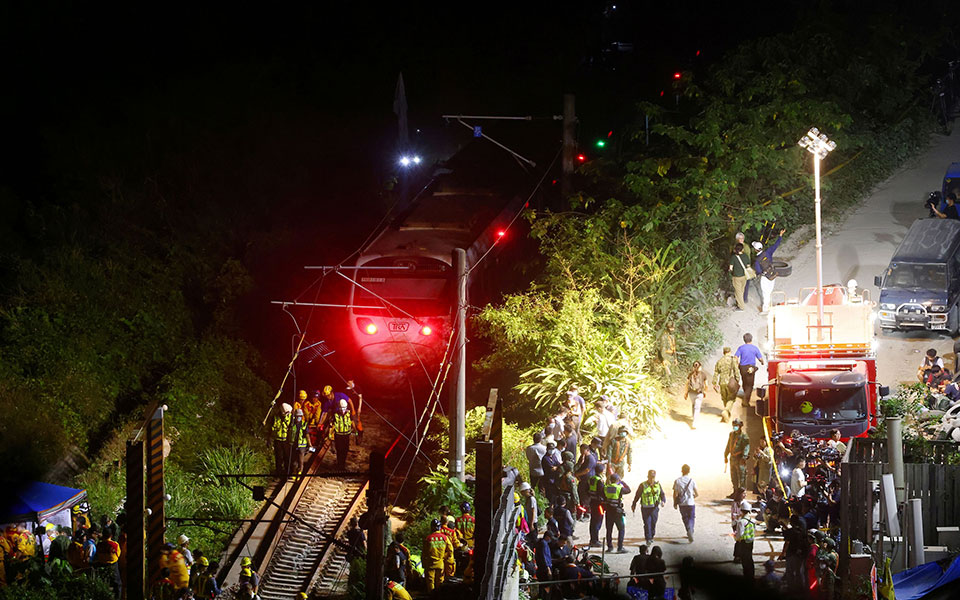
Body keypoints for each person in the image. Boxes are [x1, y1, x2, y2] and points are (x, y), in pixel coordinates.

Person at [753, 228, 786, 313]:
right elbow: (776, 245)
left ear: (755, 250)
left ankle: (765, 309)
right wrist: (780, 235)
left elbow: (758, 271)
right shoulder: (768, 252)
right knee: (770, 291)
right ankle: (769, 305)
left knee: (765, 293)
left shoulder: (757, 260)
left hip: (765, 277)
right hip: (772, 274)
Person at [632, 469, 666, 546]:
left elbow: (662, 494)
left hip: (654, 508)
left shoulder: (658, 485)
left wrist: (663, 501)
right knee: (647, 523)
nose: (652, 479)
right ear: (648, 477)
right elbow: (637, 495)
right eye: (650, 477)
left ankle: (652, 536)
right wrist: (634, 504)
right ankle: (648, 539)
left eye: (653, 477)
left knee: (653, 523)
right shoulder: (642, 485)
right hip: (645, 508)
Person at [601, 473, 630, 553]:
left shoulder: (606, 488)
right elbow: (628, 490)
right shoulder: (619, 488)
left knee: (609, 530)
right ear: (618, 480)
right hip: (617, 511)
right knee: (621, 529)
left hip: (608, 511)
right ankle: (620, 547)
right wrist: (622, 482)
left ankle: (610, 547)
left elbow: (603, 496)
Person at [423, 518, 453, 592]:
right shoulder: (444, 538)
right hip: (440, 563)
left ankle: (432, 595)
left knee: (430, 581)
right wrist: (445, 557)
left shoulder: (428, 538)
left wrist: (424, 564)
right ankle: (439, 595)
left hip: (430, 564)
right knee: (440, 581)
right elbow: (450, 550)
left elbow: (424, 553)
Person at [734, 333, 764, 406]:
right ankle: (745, 401)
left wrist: (737, 364)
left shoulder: (741, 348)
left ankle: (745, 396)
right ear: (751, 339)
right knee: (750, 386)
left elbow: (735, 357)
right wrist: (762, 362)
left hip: (742, 367)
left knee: (745, 383)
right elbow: (760, 358)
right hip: (751, 368)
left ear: (744, 340)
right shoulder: (754, 348)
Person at [713, 346, 742, 423]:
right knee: (731, 399)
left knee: (724, 398)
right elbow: (736, 371)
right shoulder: (733, 360)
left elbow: (716, 372)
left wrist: (714, 383)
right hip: (730, 382)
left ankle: (726, 415)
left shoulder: (719, 361)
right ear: (730, 352)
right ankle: (726, 411)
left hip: (722, 382)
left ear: (723, 352)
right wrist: (737, 380)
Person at [724, 418, 750, 496]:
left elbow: (746, 447)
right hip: (732, 458)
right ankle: (735, 491)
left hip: (740, 459)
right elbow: (729, 445)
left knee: (741, 476)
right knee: (733, 476)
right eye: (734, 425)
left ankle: (741, 493)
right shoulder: (731, 434)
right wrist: (725, 454)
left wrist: (744, 457)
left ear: (740, 426)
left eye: (736, 425)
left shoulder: (744, 436)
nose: (735, 427)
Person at [93, 527, 122, 598]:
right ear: (111, 535)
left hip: (101, 566)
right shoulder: (115, 545)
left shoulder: (99, 545)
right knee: (117, 584)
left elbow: (97, 555)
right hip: (113, 566)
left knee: (103, 583)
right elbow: (118, 555)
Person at [673, 464, 699, 542]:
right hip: (691, 503)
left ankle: (688, 529)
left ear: (682, 471)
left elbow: (675, 494)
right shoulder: (692, 480)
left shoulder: (677, 481)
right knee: (691, 517)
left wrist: (675, 503)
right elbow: (697, 494)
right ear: (689, 471)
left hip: (682, 504)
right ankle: (691, 530)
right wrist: (692, 497)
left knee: (685, 518)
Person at [734, 501, 756, 581]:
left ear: (741, 510)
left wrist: (736, 538)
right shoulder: (752, 520)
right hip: (751, 541)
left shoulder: (741, 522)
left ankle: (747, 576)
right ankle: (751, 575)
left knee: (744, 559)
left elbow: (739, 534)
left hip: (744, 542)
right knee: (749, 558)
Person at [331, 398, 356, 470]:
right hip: (338, 435)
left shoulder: (349, 414)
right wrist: (330, 435)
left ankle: (343, 464)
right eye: (341, 408)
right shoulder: (335, 415)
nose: (342, 410)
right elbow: (332, 425)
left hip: (346, 435)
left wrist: (355, 430)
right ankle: (339, 464)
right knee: (339, 450)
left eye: (344, 408)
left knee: (345, 450)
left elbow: (352, 422)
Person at [683, 361, 708, 429]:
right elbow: (706, 385)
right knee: (697, 407)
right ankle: (695, 422)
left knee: (694, 404)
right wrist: (705, 391)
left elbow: (687, 384)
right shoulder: (703, 374)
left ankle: (693, 417)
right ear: (700, 367)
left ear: (693, 367)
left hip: (691, 393)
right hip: (699, 393)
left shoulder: (690, 374)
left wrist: (686, 393)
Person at [586, 465, 605, 547]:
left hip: (592, 502)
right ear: (601, 471)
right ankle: (595, 540)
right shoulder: (599, 481)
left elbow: (586, 490)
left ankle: (593, 539)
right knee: (598, 521)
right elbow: (602, 493)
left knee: (593, 521)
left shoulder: (591, 479)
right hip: (599, 504)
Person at [272, 403, 293, 476]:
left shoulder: (290, 417)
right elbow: (272, 428)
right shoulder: (275, 417)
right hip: (277, 440)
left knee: (287, 457)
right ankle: (279, 473)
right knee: (278, 457)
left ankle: (288, 472)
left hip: (286, 440)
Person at [729, 242, 751, 311]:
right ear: (742, 249)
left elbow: (731, 268)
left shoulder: (733, 257)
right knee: (741, 290)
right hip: (744, 276)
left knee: (738, 292)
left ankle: (741, 307)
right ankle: (739, 303)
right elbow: (748, 266)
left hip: (736, 277)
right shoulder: (745, 256)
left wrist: (731, 272)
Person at [344, 378, 365, 444]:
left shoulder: (357, 388)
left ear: (352, 381)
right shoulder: (346, 390)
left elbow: (360, 398)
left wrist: (359, 408)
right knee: (350, 422)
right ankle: (353, 435)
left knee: (357, 422)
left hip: (356, 408)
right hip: (348, 409)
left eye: (349, 382)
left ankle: (360, 434)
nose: (348, 384)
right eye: (347, 383)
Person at [518, 482, 539, 548]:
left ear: (525, 491)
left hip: (532, 522)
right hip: (530, 522)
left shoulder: (531, 499)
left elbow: (533, 512)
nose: (521, 494)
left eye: (522, 492)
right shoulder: (528, 499)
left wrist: (531, 524)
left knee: (533, 539)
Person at [534, 530, 554, 595]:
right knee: (546, 585)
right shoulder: (543, 544)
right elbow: (544, 556)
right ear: (547, 537)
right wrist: (548, 568)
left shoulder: (542, 543)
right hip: (544, 569)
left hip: (543, 568)